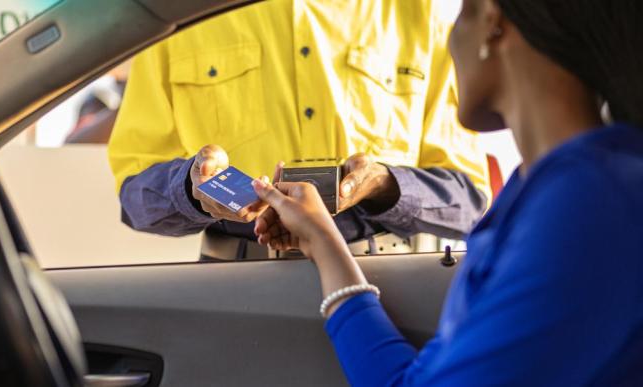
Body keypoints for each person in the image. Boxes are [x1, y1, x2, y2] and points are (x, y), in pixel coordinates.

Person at [251, 0, 643, 384]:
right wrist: (321, 240)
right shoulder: (555, 189)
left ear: (493, 21)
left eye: (459, 17)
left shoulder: (586, 206)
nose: (449, 44)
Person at [107, 0, 491, 259]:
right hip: (231, 298)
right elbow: (136, 199)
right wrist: (191, 190)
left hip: (385, 295)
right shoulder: (181, 13)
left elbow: (469, 205)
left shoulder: (416, 15)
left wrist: (383, 184)